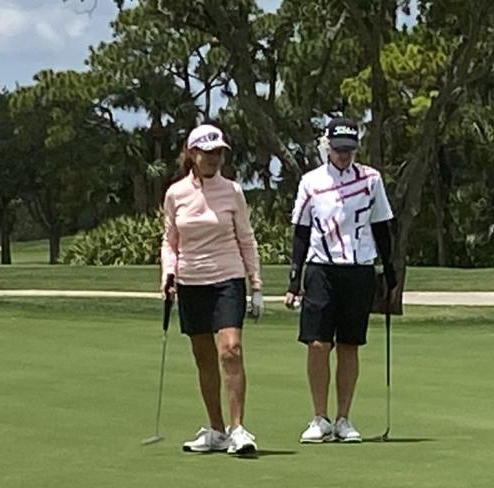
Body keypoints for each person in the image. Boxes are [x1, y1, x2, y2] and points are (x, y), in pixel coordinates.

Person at [285, 116, 397, 443]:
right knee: (319, 344)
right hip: (321, 269)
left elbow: (381, 227)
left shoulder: (371, 179)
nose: (344, 156)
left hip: (359, 268)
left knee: (349, 345)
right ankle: (319, 417)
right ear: (327, 146)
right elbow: (301, 232)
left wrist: (389, 272)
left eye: (349, 150)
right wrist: (294, 280)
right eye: (338, 150)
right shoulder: (311, 182)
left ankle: (344, 419)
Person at [161, 123, 264, 456]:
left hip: (227, 278)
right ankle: (216, 430)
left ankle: (238, 429)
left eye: (219, 153)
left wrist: (256, 285)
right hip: (191, 281)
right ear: (192, 154)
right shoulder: (175, 194)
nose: (214, 159)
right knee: (204, 358)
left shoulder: (233, 191)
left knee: (231, 349)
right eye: (208, 153)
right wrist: (169, 272)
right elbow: (170, 241)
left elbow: (246, 239)